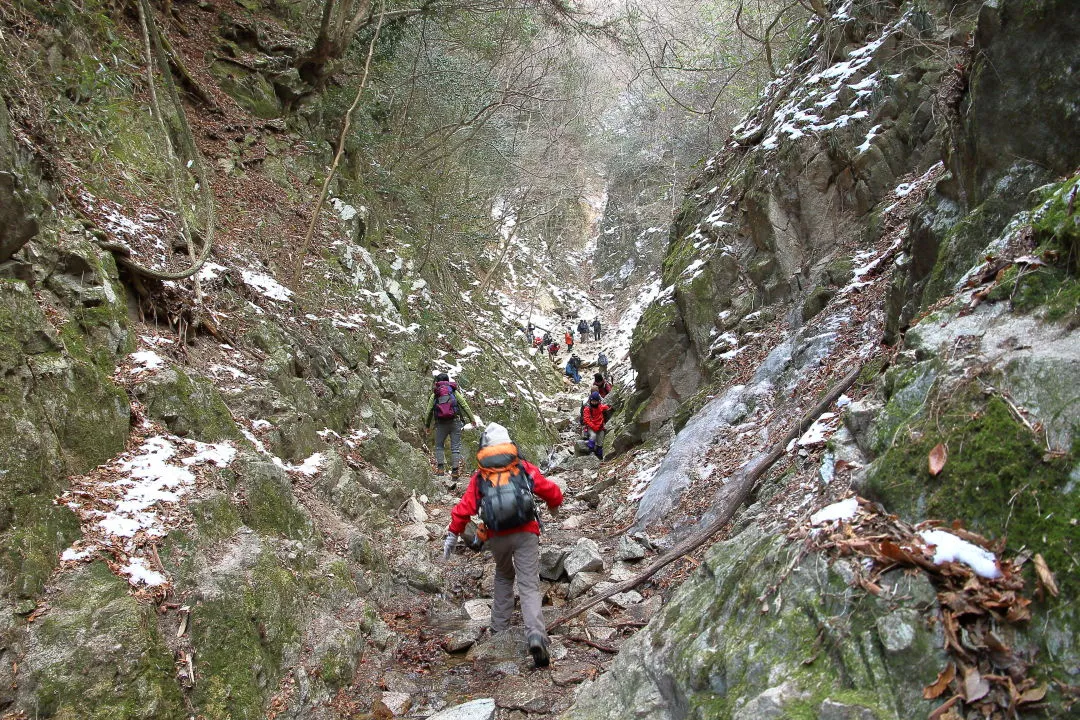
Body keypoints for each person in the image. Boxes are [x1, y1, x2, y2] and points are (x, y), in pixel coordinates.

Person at [443, 422, 563, 668]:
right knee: (529, 583)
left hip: (497, 536)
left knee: (504, 576)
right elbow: (550, 490)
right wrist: (555, 504)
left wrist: (453, 535)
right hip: (526, 533)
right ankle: (536, 635)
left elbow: (464, 509)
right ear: (509, 445)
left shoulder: (480, 476)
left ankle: (499, 629)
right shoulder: (521, 467)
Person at [424, 373, 480, 479]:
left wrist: (427, 425)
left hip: (441, 424)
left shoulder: (435, 394)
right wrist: (472, 419)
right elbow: (464, 405)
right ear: (448, 381)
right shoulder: (453, 391)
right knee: (455, 448)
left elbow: (429, 411)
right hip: (455, 422)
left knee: (439, 446)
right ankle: (455, 471)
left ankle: (440, 469)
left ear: (437, 382)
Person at [581, 391, 611, 460]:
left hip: (600, 427)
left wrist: (608, 407)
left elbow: (604, 407)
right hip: (591, 427)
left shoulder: (600, 406)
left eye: (596, 401)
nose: (594, 402)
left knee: (601, 441)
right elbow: (586, 420)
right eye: (593, 401)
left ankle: (599, 454)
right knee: (593, 436)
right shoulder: (587, 408)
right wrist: (594, 426)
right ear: (590, 400)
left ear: (598, 401)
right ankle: (591, 450)